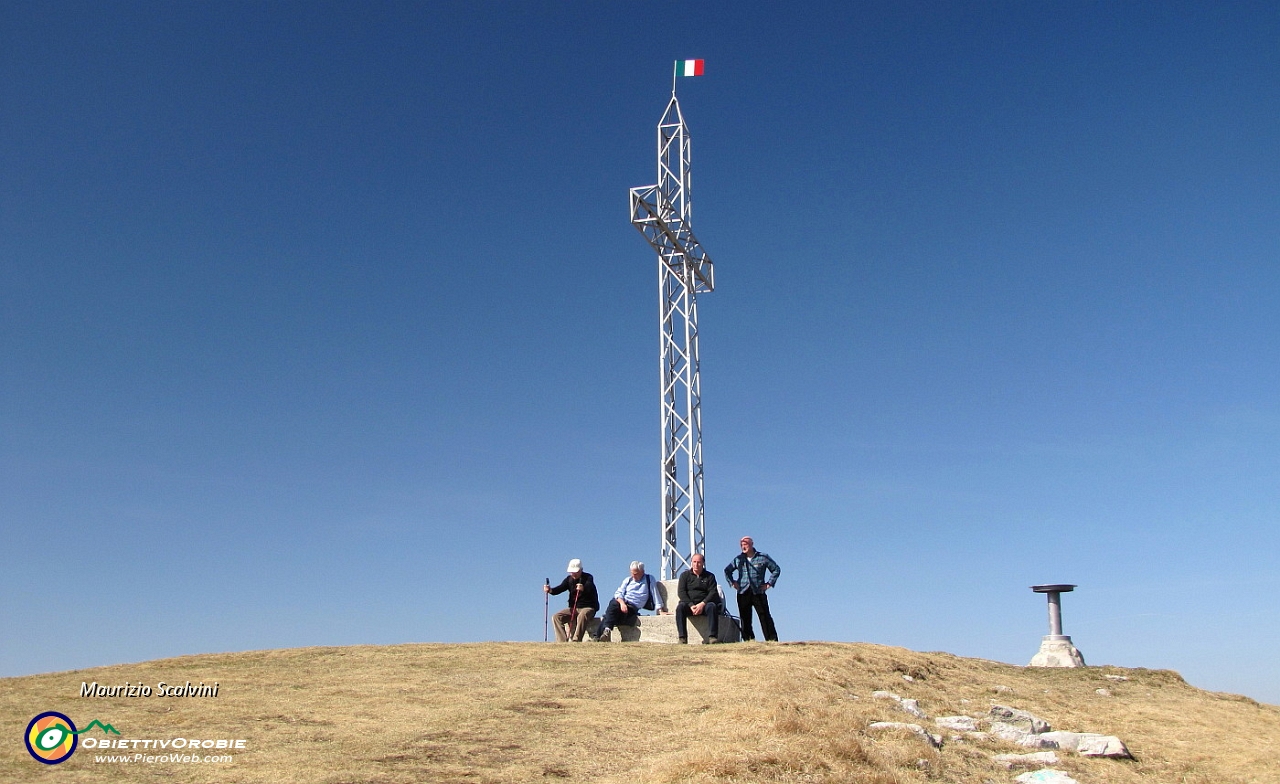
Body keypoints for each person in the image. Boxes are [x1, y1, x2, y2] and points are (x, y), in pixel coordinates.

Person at [724, 536, 781, 642]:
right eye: (741, 545)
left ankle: (772, 639)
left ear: (751, 544)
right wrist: (732, 582)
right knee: (745, 618)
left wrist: (769, 584)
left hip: (758, 592)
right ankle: (749, 640)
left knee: (764, 616)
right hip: (743, 592)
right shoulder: (738, 559)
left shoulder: (763, 557)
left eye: (745, 544)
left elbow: (776, 569)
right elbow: (727, 571)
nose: (743, 546)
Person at [594, 561, 667, 642]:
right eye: (632, 573)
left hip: (632, 608)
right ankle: (605, 632)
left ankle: (600, 635)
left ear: (642, 572)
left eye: (635, 574)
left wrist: (660, 610)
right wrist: (622, 603)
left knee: (609, 614)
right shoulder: (628, 580)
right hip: (622, 604)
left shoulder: (649, 579)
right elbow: (618, 594)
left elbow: (655, 593)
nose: (633, 576)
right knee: (614, 604)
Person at [544, 559, 599, 643]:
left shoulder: (588, 577)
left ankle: (576, 640)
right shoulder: (569, 579)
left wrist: (583, 588)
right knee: (556, 617)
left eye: (575, 572)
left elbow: (589, 587)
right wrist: (550, 590)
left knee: (582, 615)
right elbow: (560, 588)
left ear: (581, 570)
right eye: (571, 572)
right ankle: (562, 641)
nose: (573, 574)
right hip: (573, 608)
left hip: (588, 607)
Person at [675, 553, 721, 644]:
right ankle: (682, 637)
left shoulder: (710, 576)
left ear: (703, 563)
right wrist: (691, 605)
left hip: (704, 605)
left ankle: (712, 637)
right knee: (680, 608)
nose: (696, 564)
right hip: (689, 605)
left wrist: (702, 604)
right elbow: (681, 592)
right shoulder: (684, 575)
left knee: (712, 606)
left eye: (699, 562)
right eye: (694, 562)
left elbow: (713, 592)